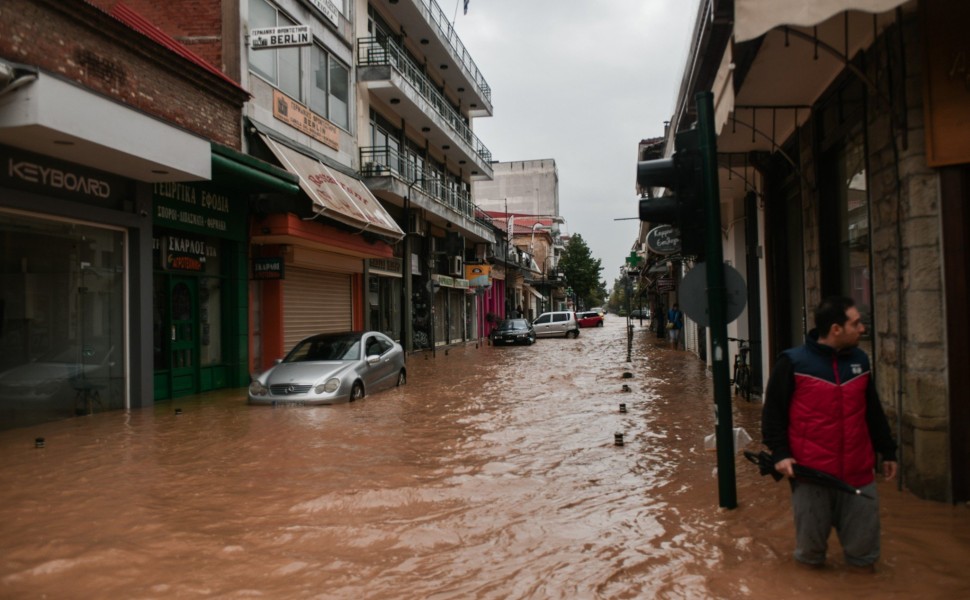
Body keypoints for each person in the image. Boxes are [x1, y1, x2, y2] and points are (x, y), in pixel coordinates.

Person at [762, 296, 898, 571]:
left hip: (859, 475)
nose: (862, 329)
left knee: (865, 561)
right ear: (836, 329)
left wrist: (888, 450)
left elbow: (871, 410)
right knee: (810, 559)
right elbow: (772, 413)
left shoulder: (860, 361)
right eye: (855, 323)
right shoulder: (792, 363)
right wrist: (780, 453)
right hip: (812, 477)